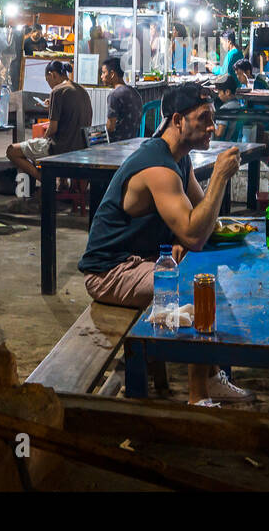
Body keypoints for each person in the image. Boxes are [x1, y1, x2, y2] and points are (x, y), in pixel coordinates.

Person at [78, 82, 251, 405]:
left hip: (141, 261)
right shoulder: (158, 167)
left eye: (212, 117)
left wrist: (179, 237)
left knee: (203, 272)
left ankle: (211, 376)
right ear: (177, 120)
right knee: (197, 286)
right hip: (110, 271)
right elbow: (196, 233)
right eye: (203, 118)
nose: (212, 126)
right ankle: (198, 396)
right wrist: (218, 178)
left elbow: (201, 221)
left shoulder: (178, 158)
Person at [6, 59, 92, 182]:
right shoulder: (82, 91)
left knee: (12, 151)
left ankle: (45, 180)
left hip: (61, 148)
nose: (49, 84)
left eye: (48, 80)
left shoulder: (57, 91)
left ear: (52, 74)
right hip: (80, 147)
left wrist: (43, 139)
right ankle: (62, 183)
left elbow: (53, 128)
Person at [101, 56, 141, 141]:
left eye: (103, 73)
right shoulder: (135, 92)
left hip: (117, 145)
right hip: (132, 142)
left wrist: (98, 134)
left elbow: (111, 127)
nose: (101, 76)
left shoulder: (114, 95)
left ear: (112, 74)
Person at [210, 72, 243, 140]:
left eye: (219, 92)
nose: (218, 95)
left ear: (227, 92)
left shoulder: (224, 110)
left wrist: (211, 124)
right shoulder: (238, 105)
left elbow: (219, 133)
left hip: (223, 145)